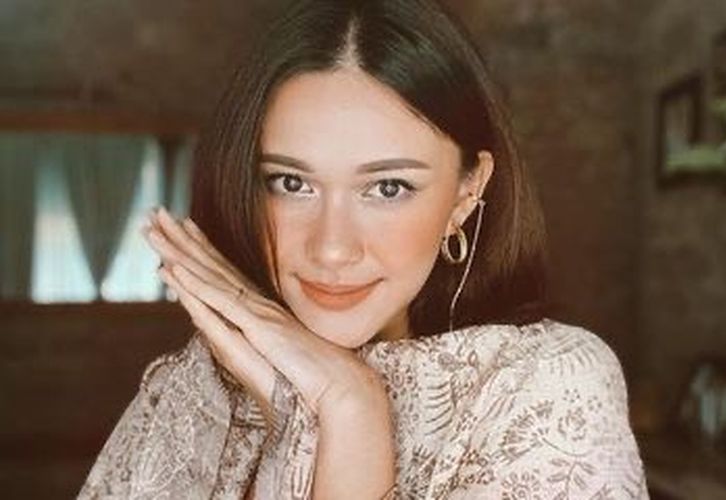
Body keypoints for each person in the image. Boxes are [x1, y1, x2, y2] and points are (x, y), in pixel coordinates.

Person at [78, 0, 649, 498]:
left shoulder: (545, 386)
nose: (332, 249)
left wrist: (353, 409)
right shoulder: (188, 389)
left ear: (466, 193)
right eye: (291, 183)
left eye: (388, 188)